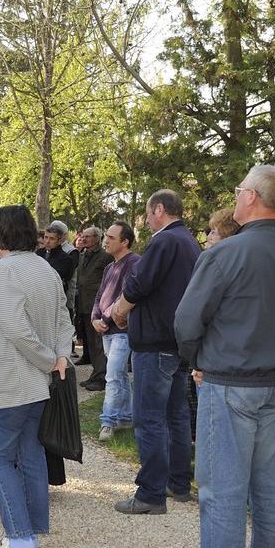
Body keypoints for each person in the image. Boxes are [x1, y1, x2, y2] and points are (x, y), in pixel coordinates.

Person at [170, 165, 275, 548]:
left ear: (250, 197)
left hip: (231, 381)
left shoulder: (226, 253)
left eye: (238, 190)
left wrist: (199, 359)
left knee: (221, 489)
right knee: (268, 486)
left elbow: (187, 320)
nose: (235, 196)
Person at [0, 205, 72, 548]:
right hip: (36, 383)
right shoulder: (45, 268)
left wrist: (49, 358)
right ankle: (31, 526)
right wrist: (58, 358)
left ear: (1, 232)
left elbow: (16, 330)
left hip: (7, 381)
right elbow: (63, 320)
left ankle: (20, 536)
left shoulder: (2, 271)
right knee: (29, 452)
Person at [112, 190, 200, 514]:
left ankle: (150, 493)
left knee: (149, 418)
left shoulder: (164, 241)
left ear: (159, 210)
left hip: (155, 341)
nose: (147, 221)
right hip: (177, 342)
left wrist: (119, 310)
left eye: (148, 214)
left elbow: (138, 283)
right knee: (176, 415)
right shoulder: (190, 242)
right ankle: (177, 483)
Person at [91, 221, 139, 442]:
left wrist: (105, 318)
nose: (106, 241)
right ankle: (127, 416)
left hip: (122, 329)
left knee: (112, 375)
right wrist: (94, 319)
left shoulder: (135, 263)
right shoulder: (110, 267)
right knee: (118, 375)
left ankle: (107, 421)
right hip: (107, 330)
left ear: (125, 241)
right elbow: (100, 295)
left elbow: (126, 296)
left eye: (111, 237)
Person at [72, 226, 109, 390]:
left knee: (98, 344)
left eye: (87, 237)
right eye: (83, 236)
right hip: (83, 305)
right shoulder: (82, 255)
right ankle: (96, 374)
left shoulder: (105, 257)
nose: (84, 239)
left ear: (96, 238)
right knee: (90, 344)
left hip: (97, 306)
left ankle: (102, 377)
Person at [38, 221, 77, 293]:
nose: (47, 241)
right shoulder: (38, 253)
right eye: (46, 237)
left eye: (52, 238)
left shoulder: (66, 259)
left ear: (59, 241)